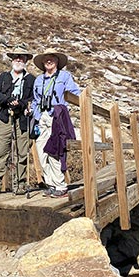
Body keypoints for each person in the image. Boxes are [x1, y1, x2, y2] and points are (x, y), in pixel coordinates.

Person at [0, 48, 36, 195]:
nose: (18, 60)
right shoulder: (4, 76)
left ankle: (19, 185)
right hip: (5, 117)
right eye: (15, 58)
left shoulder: (31, 79)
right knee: (1, 151)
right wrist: (7, 100)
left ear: (26, 61)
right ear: (12, 60)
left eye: (21, 58)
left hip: (22, 118)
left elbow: (33, 98)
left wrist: (21, 103)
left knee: (22, 152)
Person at [31, 48, 81, 198]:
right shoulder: (39, 80)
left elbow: (74, 93)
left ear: (57, 61)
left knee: (54, 151)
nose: (49, 60)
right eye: (46, 58)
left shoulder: (65, 76)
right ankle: (50, 184)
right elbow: (35, 99)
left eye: (52, 58)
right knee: (41, 152)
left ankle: (60, 185)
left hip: (56, 117)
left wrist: (65, 108)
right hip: (42, 117)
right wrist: (36, 114)